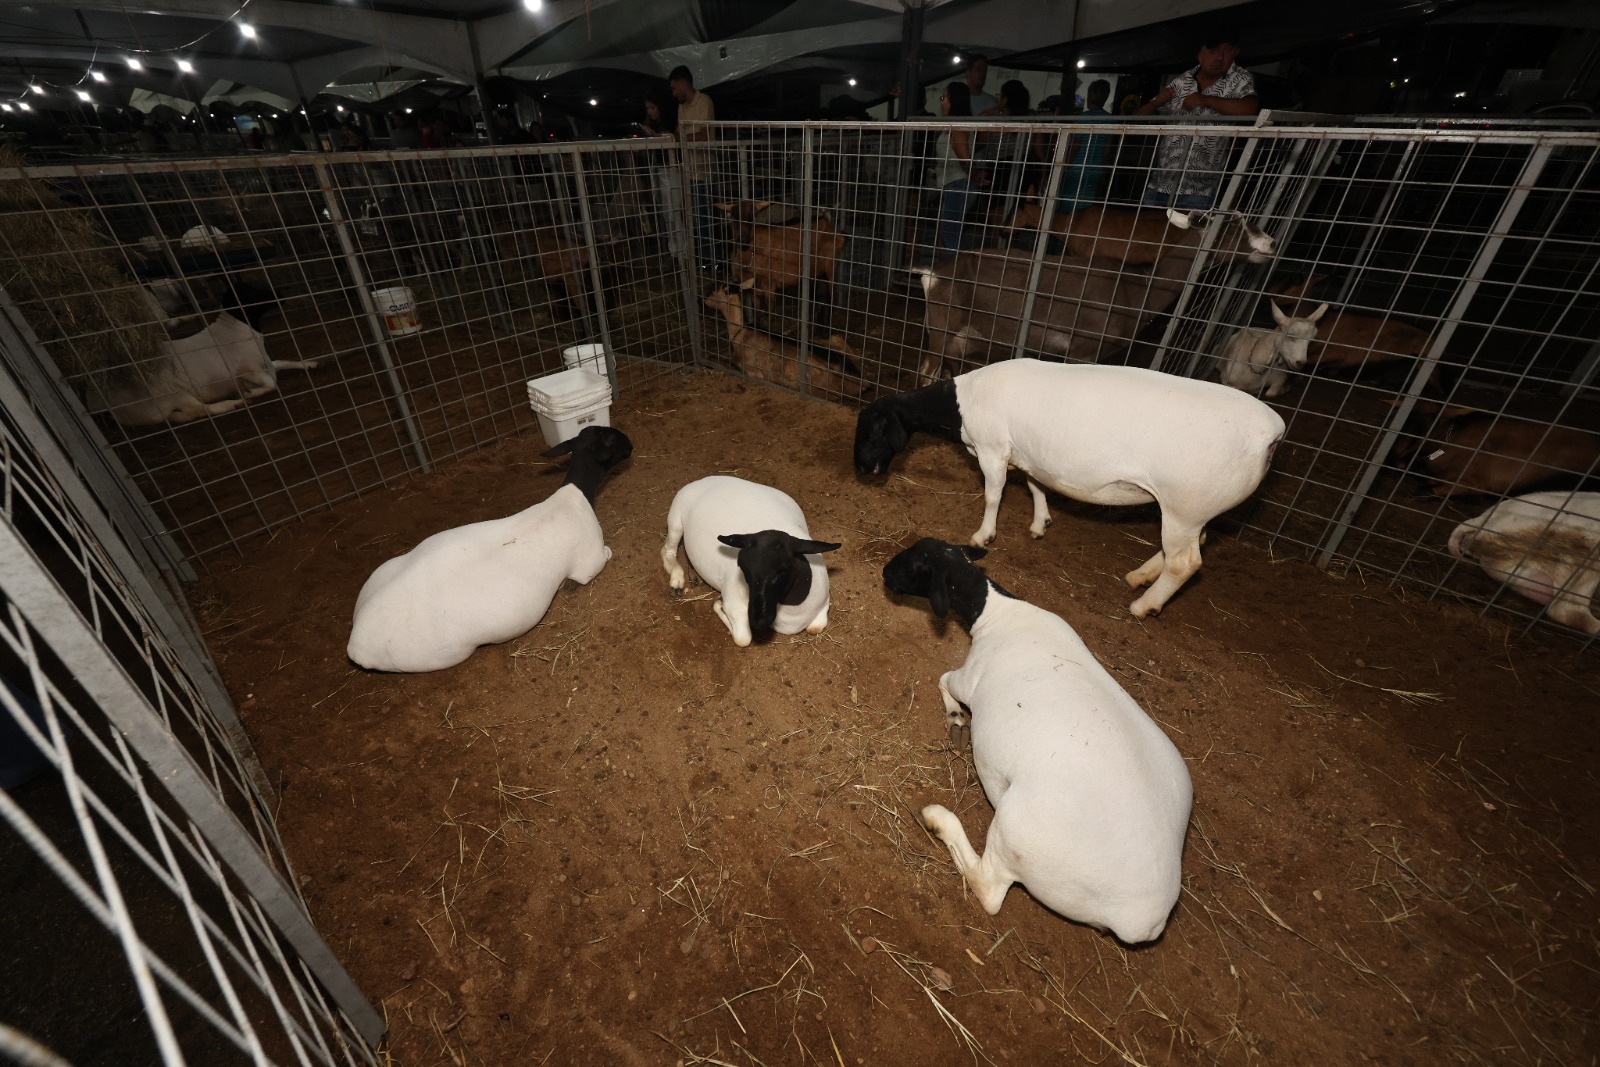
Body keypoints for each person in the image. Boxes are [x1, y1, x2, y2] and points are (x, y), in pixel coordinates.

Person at [1137, 30, 1259, 210]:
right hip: (1160, 184)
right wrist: (1157, 102)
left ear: (1236, 52)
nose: (1219, 57)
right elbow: (1140, 117)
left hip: (1200, 190)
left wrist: (1205, 100)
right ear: (1200, 54)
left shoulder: (1240, 79)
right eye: (1213, 50)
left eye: (1227, 50)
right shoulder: (1182, 80)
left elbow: (1249, 109)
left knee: (1191, 229)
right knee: (1146, 227)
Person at [669, 64, 719, 274]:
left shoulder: (704, 101)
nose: (673, 93)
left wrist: (679, 137)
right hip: (689, 170)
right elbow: (679, 133)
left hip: (704, 171)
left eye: (674, 88)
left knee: (704, 220)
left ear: (682, 84)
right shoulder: (682, 107)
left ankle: (711, 263)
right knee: (696, 219)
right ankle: (705, 261)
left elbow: (704, 135)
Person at [932, 81, 982, 258]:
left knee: (951, 234)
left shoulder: (958, 127)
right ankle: (956, 268)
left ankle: (959, 270)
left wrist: (974, 175)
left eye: (945, 98)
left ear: (955, 101)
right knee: (950, 232)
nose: (942, 102)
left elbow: (964, 157)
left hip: (958, 184)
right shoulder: (954, 126)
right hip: (955, 184)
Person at [640, 85, 686, 260]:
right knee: (667, 215)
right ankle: (674, 252)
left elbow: (677, 142)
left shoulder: (671, 122)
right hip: (659, 169)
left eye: (652, 107)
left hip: (671, 169)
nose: (650, 112)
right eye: (648, 109)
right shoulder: (655, 124)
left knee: (675, 213)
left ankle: (682, 253)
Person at [1055, 78, 1113, 212]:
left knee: (1068, 205)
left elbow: (1075, 146)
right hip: (1096, 168)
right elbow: (1107, 150)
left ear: (1090, 95)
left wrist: (1064, 166)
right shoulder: (1111, 120)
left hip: (1076, 167)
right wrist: (1106, 170)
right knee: (1087, 208)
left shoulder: (1083, 118)